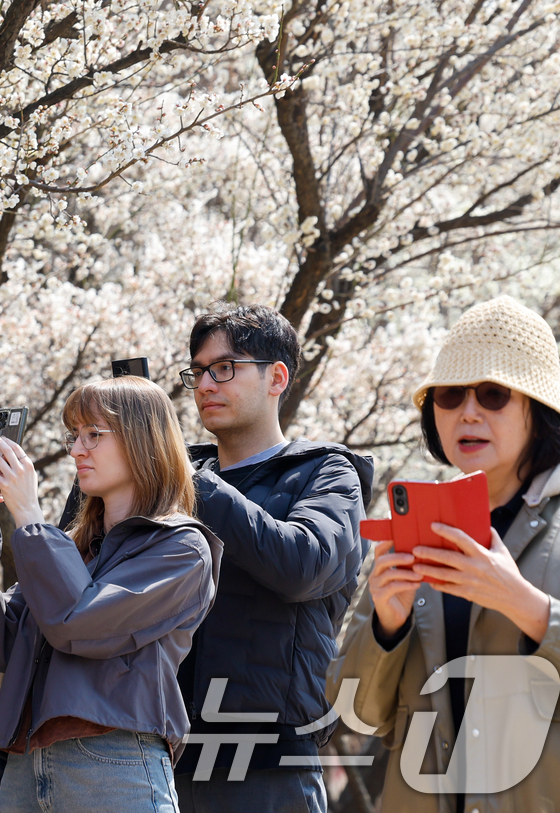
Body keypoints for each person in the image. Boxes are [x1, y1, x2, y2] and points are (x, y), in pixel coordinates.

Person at [331, 296, 560, 813]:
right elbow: (355, 713)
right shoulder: (411, 527)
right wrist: (386, 627)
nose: (468, 412)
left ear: (538, 410)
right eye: (449, 396)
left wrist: (526, 607)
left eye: (493, 394)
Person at [0, 376, 221, 813]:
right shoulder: (71, 548)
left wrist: (29, 515)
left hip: (115, 763)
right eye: (73, 435)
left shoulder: (181, 548)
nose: (76, 449)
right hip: (24, 767)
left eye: (94, 434)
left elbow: (80, 623)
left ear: (144, 439)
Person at [172, 304, 372, 813]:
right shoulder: (173, 475)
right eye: (197, 372)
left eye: (224, 368)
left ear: (276, 377)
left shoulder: (326, 473)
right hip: (156, 752)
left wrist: (191, 481)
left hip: (267, 757)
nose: (204, 385)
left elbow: (305, 566)